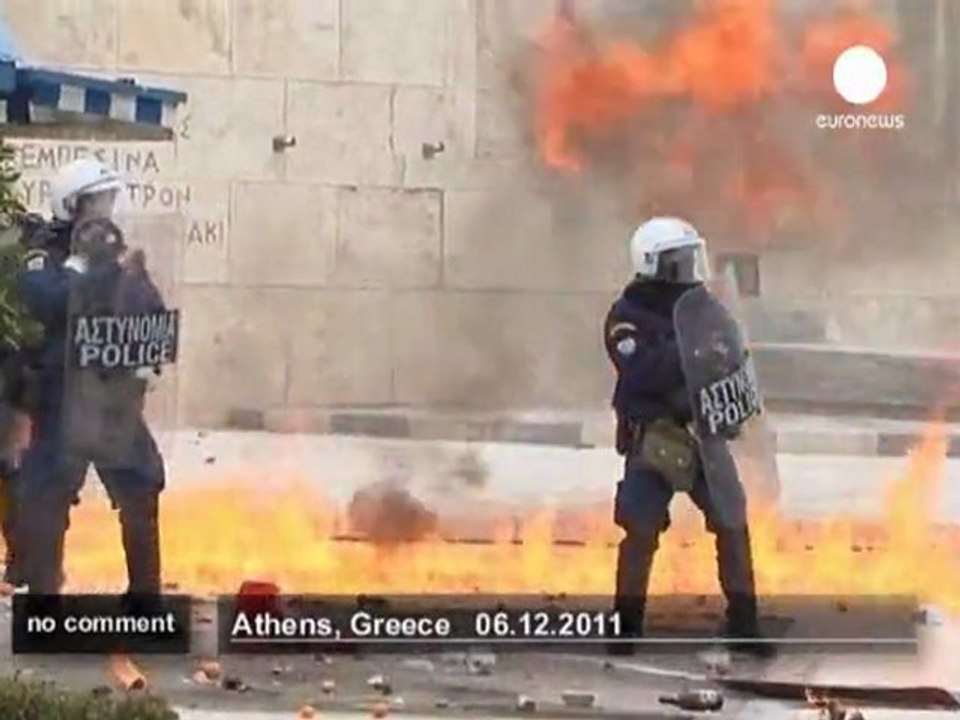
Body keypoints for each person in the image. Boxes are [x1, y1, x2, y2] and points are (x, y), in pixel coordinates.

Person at [604, 216, 772, 658]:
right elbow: (643, 370)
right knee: (640, 529)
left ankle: (744, 624)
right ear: (652, 263)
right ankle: (625, 625)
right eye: (676, 260)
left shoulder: (702, 307)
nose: (685, 268)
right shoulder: (627, 316)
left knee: (732, 523)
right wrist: (689, 350)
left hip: (704, 436)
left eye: (687, 258)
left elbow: (729, 347)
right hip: (655, 438)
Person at [15, 157, 167, 596]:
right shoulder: (44, 255)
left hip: (111, 398)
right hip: (62, 398)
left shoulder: (119, 263)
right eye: (102, 201)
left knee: (140, 487)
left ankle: (146, 599)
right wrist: (80, 266)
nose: (110, 210)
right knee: (48, 496)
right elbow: (45, 301)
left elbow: (150, 311)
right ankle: (45, 605)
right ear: (75, 205)